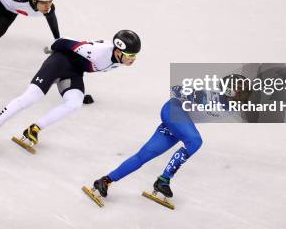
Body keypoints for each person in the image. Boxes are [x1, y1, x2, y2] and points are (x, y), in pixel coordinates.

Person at [85, 75, 251, 206]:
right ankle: (163, 180)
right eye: (241, 93)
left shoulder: (232, 105)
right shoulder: (209, 95)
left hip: (178, 122)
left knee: (143, 156)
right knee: (195, 141)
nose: (243, 98)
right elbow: (176, 89)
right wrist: (188, 95)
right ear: (229, 91)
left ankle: (104, 181)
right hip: (173, 111)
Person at [0, 30, 141, 155]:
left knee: (74, 104)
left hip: (74, 72)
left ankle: (33, 130)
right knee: (32, 96)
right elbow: (66, 41)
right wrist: (51, 47)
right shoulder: (97, 51)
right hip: (58, 62)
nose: (132, 59)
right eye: (130, 55)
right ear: (118, 51)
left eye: (134, 56)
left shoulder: (119, 60)